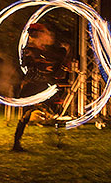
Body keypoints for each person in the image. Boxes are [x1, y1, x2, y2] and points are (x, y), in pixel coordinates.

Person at [11, 23, 70, 152]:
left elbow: (55, 62)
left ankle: (56, 140)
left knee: (54, 112)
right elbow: (29, 67)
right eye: (43, 33)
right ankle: (16, 143)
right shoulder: (29, 51)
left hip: (45, 86)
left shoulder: (45, 50)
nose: (46, 35)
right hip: (32, 88)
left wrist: (63, 55)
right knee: (25, 116)